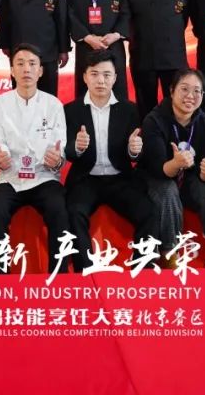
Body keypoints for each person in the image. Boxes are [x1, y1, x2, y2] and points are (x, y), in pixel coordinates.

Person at [64, 51, 156, 272]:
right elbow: (66, 152)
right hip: (86, 178)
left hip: (120, 178)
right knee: (74, 212)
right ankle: (84, 272)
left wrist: (134, 150)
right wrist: (77, 147)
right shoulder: (70, 110)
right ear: (85, 77)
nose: (101, 80)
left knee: (149, 212)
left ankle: (143, 270)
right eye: (94, 74)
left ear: (115, 77)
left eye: (106, 75)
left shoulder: (129, 109)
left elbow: (137, 153)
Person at [0, 44, 70, 273]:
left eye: (32, 64)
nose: (26, 69)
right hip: (10, 177)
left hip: (43, 176)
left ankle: (59, 277)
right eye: (20, 64)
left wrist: (57, 160)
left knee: (60, 209)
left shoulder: (53, 105)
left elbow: (60, 146)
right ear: (12, 70)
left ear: (41, 71)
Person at [140, 68, 205, 267]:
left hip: (191, 180)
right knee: (167, 191)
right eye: (184, 89)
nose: (190, 96)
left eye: (196, 91)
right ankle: (169, 256)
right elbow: (157, 169)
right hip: (158, 178)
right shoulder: (153, 120)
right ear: (171, 90)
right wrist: (175, 164)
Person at [125, 0, 191, 119]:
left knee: (176, 102)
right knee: (145, 105)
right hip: (143, 56)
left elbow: (183, 19)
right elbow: (126, 20)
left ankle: (175, 135)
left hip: (173, 56)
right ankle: (148, 135)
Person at [65, 0, 130, 101]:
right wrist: (87, 37)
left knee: (117, 92)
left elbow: (125, 14)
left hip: (113, 46)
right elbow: (69, 15)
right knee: (86, 92)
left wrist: (115, 35)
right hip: (86, 46)